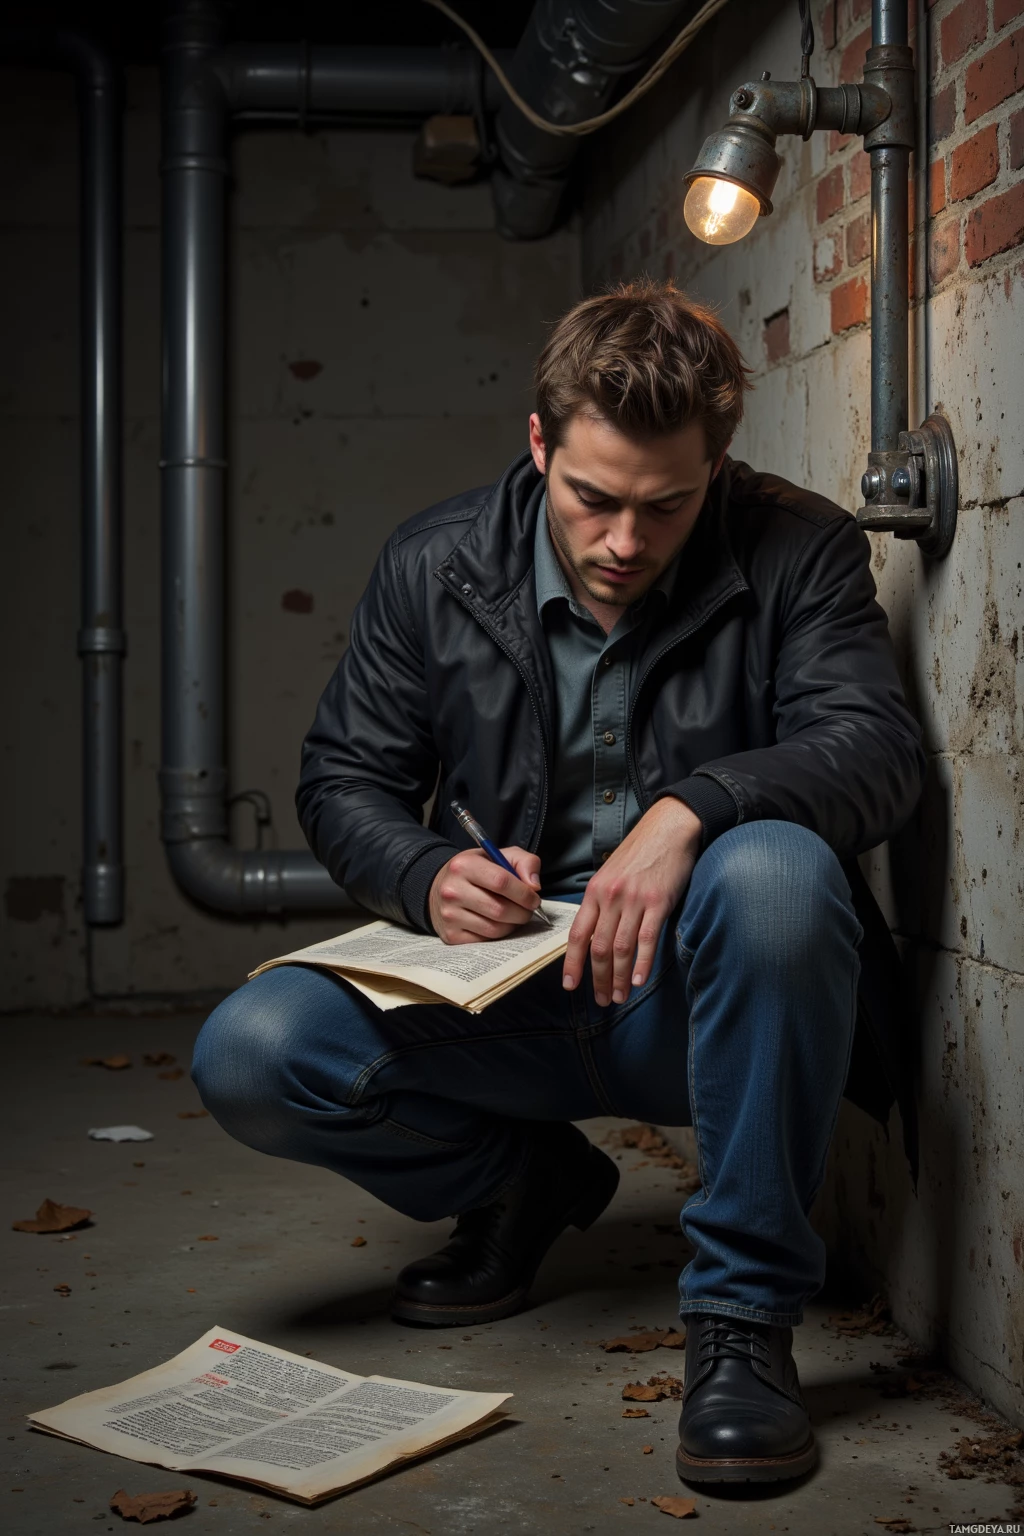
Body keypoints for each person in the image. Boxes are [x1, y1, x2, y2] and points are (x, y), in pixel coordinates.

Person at [192, 280, 924, 1486]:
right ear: (537, 445)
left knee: (780, 871)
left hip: (695, 1002)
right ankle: (524, 1184)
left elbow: (875, 752)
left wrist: (700, 806)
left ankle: (741, 1322)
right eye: (592, 500)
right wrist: (425, 874)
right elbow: (343, 779)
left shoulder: (798, 546)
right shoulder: (433, 566)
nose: (624, 544)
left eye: (666, 506)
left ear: (718, 467)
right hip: (501, 992)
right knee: (254, 1049)